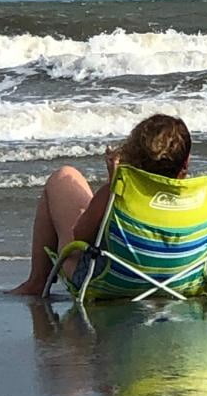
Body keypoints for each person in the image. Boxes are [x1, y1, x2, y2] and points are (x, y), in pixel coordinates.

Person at [10, 113, 191, 295]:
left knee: (64, 176)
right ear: (186, 161)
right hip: (178, 282)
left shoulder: (116, 193)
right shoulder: (198, 199)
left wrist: (113, 185)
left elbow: (82, 236)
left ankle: (37, 282)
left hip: (108, 283)